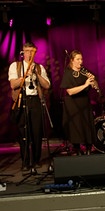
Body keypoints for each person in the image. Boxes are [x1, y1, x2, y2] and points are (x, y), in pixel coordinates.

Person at [8, 41, 51, 171]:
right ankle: (26, 161)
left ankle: (37, 160)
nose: (30, 54)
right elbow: (12, 85)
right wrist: (24, 76)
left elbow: (47, 85)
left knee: (37, 131)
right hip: (22, 100)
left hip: (35, 100)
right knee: (24, 132)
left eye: (32, 51)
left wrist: (36, 74)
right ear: (23, 52)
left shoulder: (39, 67)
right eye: (27, 51)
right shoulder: (16, 66)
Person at [60, 50, 98, 155]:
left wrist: (93, 81)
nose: (80, 61)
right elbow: (70, 91)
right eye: (78, 59)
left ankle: (89, 148)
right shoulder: (67, 73)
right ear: (72, 60)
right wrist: (85, 85)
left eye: (81, 59)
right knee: (75, 127)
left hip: (84, 103)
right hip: (73, 104)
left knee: (87, 126)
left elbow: (95, 85)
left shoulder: (84, 71)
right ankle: (77, 149)